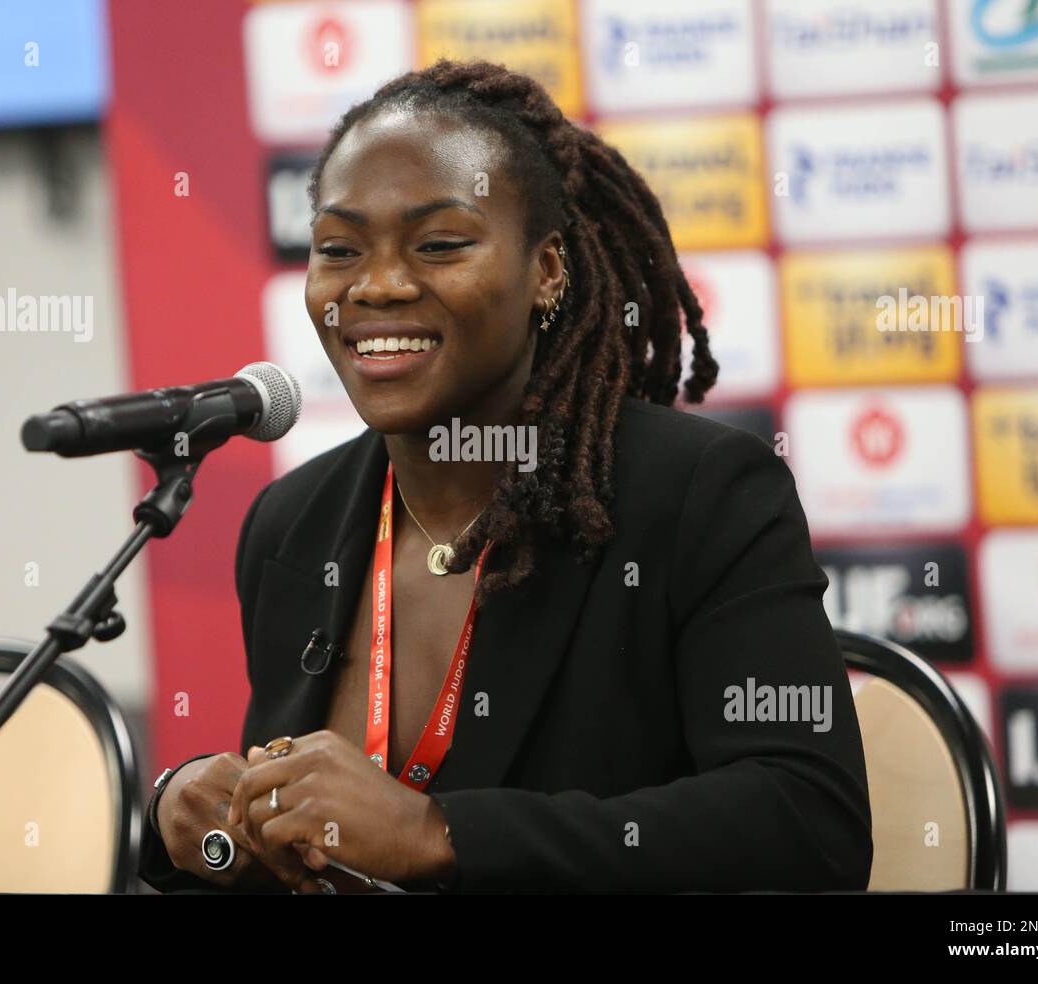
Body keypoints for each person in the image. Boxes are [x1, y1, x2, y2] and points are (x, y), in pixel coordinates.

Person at [137, 59, 872, 894]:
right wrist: (192, 813)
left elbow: (809, 824)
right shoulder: (291, 523)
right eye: (339, 249)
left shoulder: (698, 493)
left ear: (547, 271)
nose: (376, 285)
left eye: (440, 244)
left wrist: (441, 834)